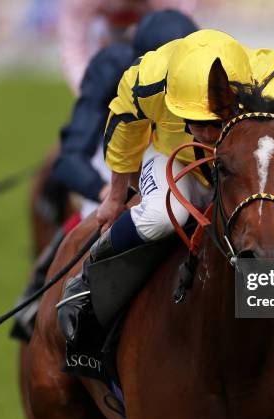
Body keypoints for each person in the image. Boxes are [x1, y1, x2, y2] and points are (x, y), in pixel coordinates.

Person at [57, 29, 274, 348]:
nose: (207, 133)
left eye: (213, 122)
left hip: (242, 156)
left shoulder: (263, 74)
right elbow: (125, 129)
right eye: (194, 121)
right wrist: (113, 198)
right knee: (164, 215)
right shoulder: (148, 77)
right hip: (171, 154)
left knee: (271, 199)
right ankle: (86, 280)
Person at [11, 10, 198, 341]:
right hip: (116, 152)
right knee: (98, 221)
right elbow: (70, 159)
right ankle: (61, 300)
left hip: (182, 149)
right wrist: (105, 194)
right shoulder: (114, 67)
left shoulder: (209, 65)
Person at [59, 0, 196, 93]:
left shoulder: (173, 5)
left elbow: (181, 41)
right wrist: (89, 91)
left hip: (153, 42)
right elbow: (73, 47)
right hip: (110, 42)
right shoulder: (80, 3)